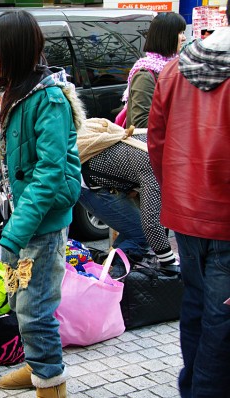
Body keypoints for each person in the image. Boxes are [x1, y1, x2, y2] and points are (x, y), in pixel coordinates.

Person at [0, 11, 84, 397]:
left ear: (25, 48)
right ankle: (37, 365)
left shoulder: (48, 98)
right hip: (14, 224)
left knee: (35, 307)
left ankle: (51, 383)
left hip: (41, 228)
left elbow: (50, 173)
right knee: (19, 299)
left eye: (1, 47)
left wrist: (15, 232)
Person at [148, 3, 230, 396]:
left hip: (186, 213)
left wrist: (174, 195)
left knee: (198, 308)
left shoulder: (175, 67)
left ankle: (191, 388)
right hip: (223, 218)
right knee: (220, 321)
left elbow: (157, 142)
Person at [77, 120, 177, 273]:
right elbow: (150, 224)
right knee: (141, 235)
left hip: (89, 174)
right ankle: (109, 276)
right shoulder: (155, 165)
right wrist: (170, 263)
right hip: (88, 184)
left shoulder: (158, 141)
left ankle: (106, 268)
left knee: (133, 232)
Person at [123, 12, 186, 128]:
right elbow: (141, 122)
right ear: (166, 36)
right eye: (180, 33)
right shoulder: (145, 75)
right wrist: (182, 120)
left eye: (183, 32)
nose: (184, 38)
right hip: (149, 144)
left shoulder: (177, 67)